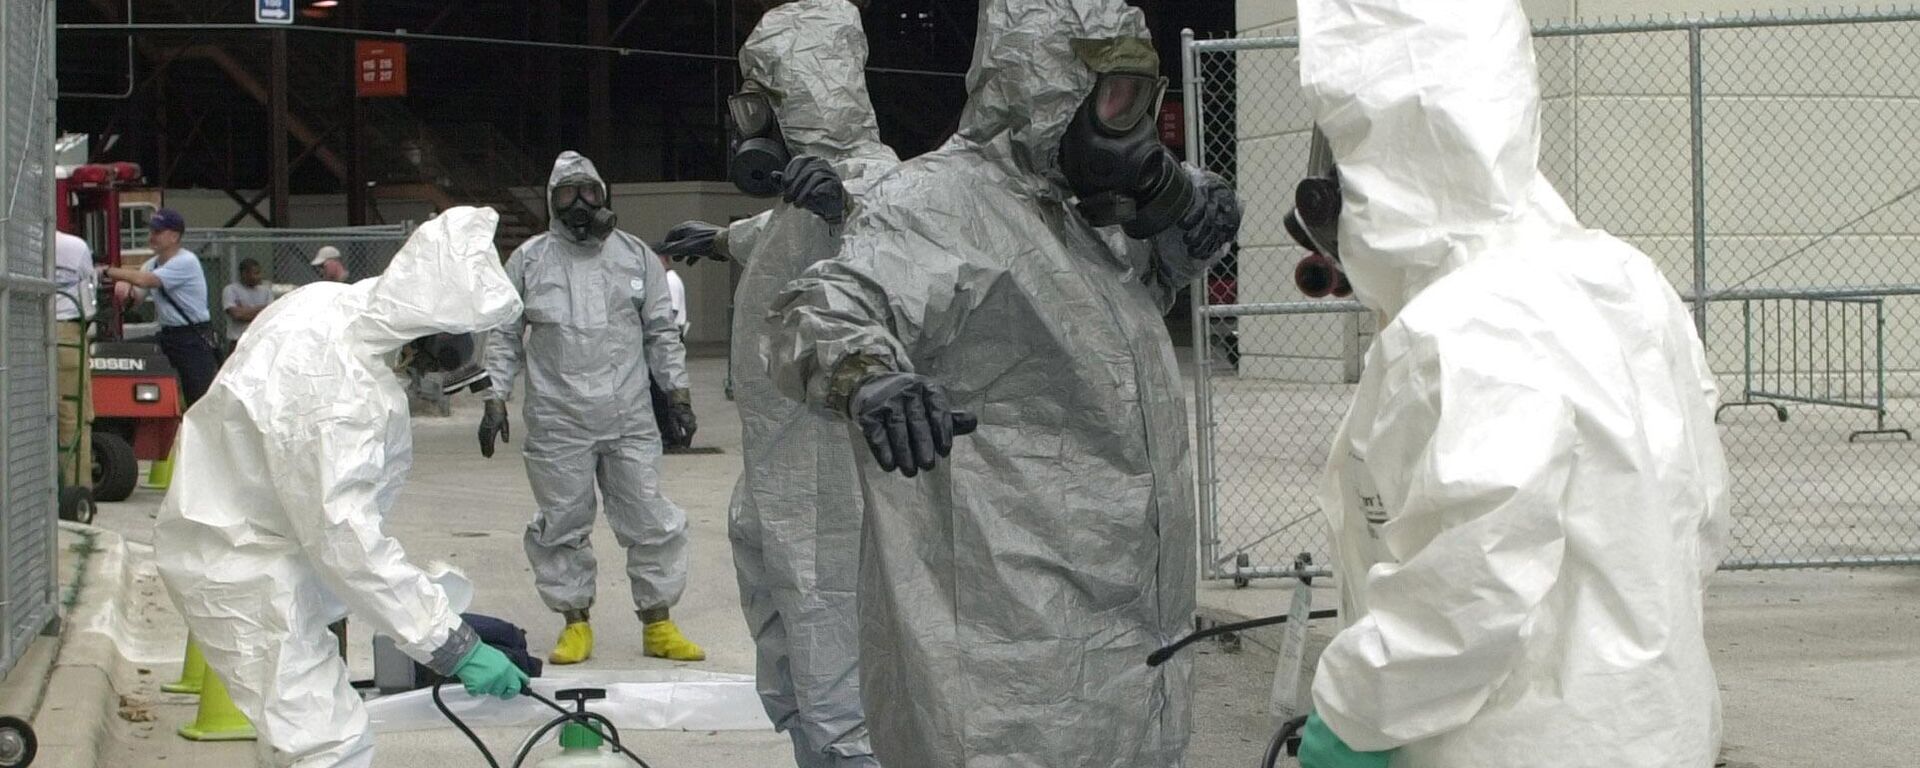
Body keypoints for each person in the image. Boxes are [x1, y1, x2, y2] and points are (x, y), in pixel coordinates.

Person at [763, 0, 1241, 765]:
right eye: (1114, 99)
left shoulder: (1086, 217)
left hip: (1131, 626)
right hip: (1006, 645)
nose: (1133, 128)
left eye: (1143, 102)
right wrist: (869, 376)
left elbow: (1150, 284)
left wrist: (1193, 220)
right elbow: (824, 305)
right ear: (1044, 87)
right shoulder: (941, 203)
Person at [1288, 2, 1732, 767]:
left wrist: (1356, 716)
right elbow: (1700, 513)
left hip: (1516, 746)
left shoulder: (1465, 327)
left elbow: (1469, 593)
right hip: (1659, 727)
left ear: (1384, 145)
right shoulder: (1622, 279)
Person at [154, 207, 531, 768]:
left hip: (258, 539)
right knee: (326, 743)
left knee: (304, 733)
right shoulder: (342, 398)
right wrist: (451, 645)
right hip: (246, 564)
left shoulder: (328, 305)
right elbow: (345, 538)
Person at [656, 0, 896, 763]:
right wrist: (723, 237)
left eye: (765, 100)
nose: (749, 124)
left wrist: (844, 206)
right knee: (791, 663)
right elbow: (781, 232)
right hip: (775, 477)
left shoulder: (894, 192)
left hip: (839, 485)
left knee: (841, 671)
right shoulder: (797, 203)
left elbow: (913, 252)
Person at [481, 151, 706, 665]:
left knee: (650, 518)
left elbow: (661, 333)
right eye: (567, 195)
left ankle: (659, 623)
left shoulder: (635, 257)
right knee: (561, 523)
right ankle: (574, 622)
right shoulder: (531, 260)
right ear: (551, 201)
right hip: (558, 422)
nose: (580, 204)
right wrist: (496, 397)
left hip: (628, 417)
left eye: (589, 193)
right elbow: (503, 336)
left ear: (605, 197)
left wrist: (679, 394)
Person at [99, 208, 218, 408]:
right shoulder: (151, 264)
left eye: (157, 232)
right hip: (168, 335)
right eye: (151, 231)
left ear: (174, 236)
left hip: (193, 338)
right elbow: (136, 297)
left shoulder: (186, 261)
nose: (151, 237)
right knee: (123, 351)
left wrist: (108, 271)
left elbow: (147, 281)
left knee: (198, 400)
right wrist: (125, 294)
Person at [53, 230, 98, 487]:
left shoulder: (15, 241)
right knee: (73, 412)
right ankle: (76, 489)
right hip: (66, 331)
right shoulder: (75, 246)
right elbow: (88, 296)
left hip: (20, 329)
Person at [648, 252, 696, 451]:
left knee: (663, 390)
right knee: (658, 390)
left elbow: (668, 314)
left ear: (665, 259)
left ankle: (673, 434)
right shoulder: (665, 280)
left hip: (670, 335)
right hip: (667, 334)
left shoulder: (670, 280)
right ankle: (670, 432)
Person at [222, 258, 274, 355]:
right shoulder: (231, 290)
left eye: (259, 273)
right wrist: (261, 309)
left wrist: (245, 310)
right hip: (238, 340)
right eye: (255, 273)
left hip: (260, 339)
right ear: (244, 274)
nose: (259, 276)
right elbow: (236, 315)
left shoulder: (266, 291)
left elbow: (270, 314)